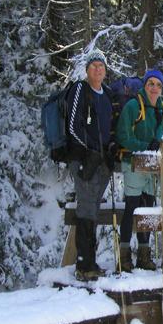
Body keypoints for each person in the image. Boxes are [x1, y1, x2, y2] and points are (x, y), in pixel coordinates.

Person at [66, 49, 116, 281]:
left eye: (101, 66)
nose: (98, 69)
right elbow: (73, 127)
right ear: (87, 70)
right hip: (84, 159)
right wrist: (89, 150)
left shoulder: (106, 94)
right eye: (93, 65)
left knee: (93, 208)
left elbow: (110, 128)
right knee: (86, 208)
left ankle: (90, 262)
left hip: (102, 162)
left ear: (105, 71)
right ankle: (84, 265)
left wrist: (109, 150)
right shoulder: (80, 90)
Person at [116, 69, 163, 272]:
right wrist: (143, 146)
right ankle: (123, 255)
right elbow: (123, 135)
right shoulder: (133, 106)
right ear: (145, 85)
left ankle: (144, 254)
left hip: (152, 166)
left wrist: (160, 150)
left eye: (158, 84)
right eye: (151, 84)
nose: (155, 88)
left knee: (148, 207)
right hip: (133, 162)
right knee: (131, 207)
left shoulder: (162, 109)